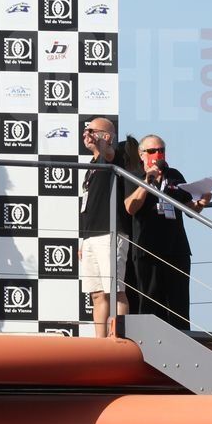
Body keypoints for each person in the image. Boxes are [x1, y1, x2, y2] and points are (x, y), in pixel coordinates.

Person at [124, 135, 212, 329]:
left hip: (176, 248)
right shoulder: (134, 175)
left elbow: (190, 209)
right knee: (150, 301)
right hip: (147, 250)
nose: (158, 154)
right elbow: (130, 207)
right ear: (141, 154)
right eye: (152, 151)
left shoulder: (174, 175)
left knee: (179, 303)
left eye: (161, 150)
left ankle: (181, 340)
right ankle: (150, 340)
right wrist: (147, 181)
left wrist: (201, 203)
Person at [78, 116, 132, 338]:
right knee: (97, 294)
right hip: (91, 236)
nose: (86, 134)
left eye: (91, 131)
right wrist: (83, 239)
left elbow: (108, 152)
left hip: (111, 234)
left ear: (106, 136)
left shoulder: (112, 156)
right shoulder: (91, 166)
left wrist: (103, 144)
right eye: (85, 131)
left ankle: (118, 338)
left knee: (115, 290)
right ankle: (100, 342)